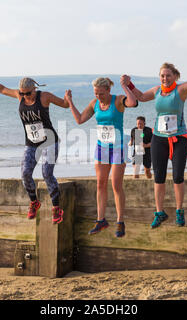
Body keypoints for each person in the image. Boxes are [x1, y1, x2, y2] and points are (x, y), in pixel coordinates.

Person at [124, 54, 187, 228]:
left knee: (178, 176)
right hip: (159, 138)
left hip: (178, 138)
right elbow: (141, 97)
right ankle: (159, 212)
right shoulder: (157, 91)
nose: (165, 78)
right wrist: (129, 84)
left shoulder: (180, 90)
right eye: (162, 75)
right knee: (159, 177)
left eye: (168, 75)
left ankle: (179, 211)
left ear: (175, 76)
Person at [0, 71, 69, 224]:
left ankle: (56, 208)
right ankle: (34, 202)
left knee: (46, 174)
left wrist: (68, 99)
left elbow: (65, 105)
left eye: (28, 93)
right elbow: (2, 89)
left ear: (34, 89)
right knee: (25, 173)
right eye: (22, 94)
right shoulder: (21, 96)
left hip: (49, 141)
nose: (25, 96)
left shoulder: (44, 97)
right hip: (31, 143)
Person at [64, 77, 138, 237]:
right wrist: (70, 101)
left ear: (108, 90)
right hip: (102, 147)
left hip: (118, 147)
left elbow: (132, 102)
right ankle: (100, 220)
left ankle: (120, 222)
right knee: (100, 184)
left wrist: (125, 86)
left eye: (101, 93)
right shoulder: (94, 103)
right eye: (96, 93)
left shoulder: (117, 100)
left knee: (116, 185)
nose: (98, 96)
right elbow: (80, 120)